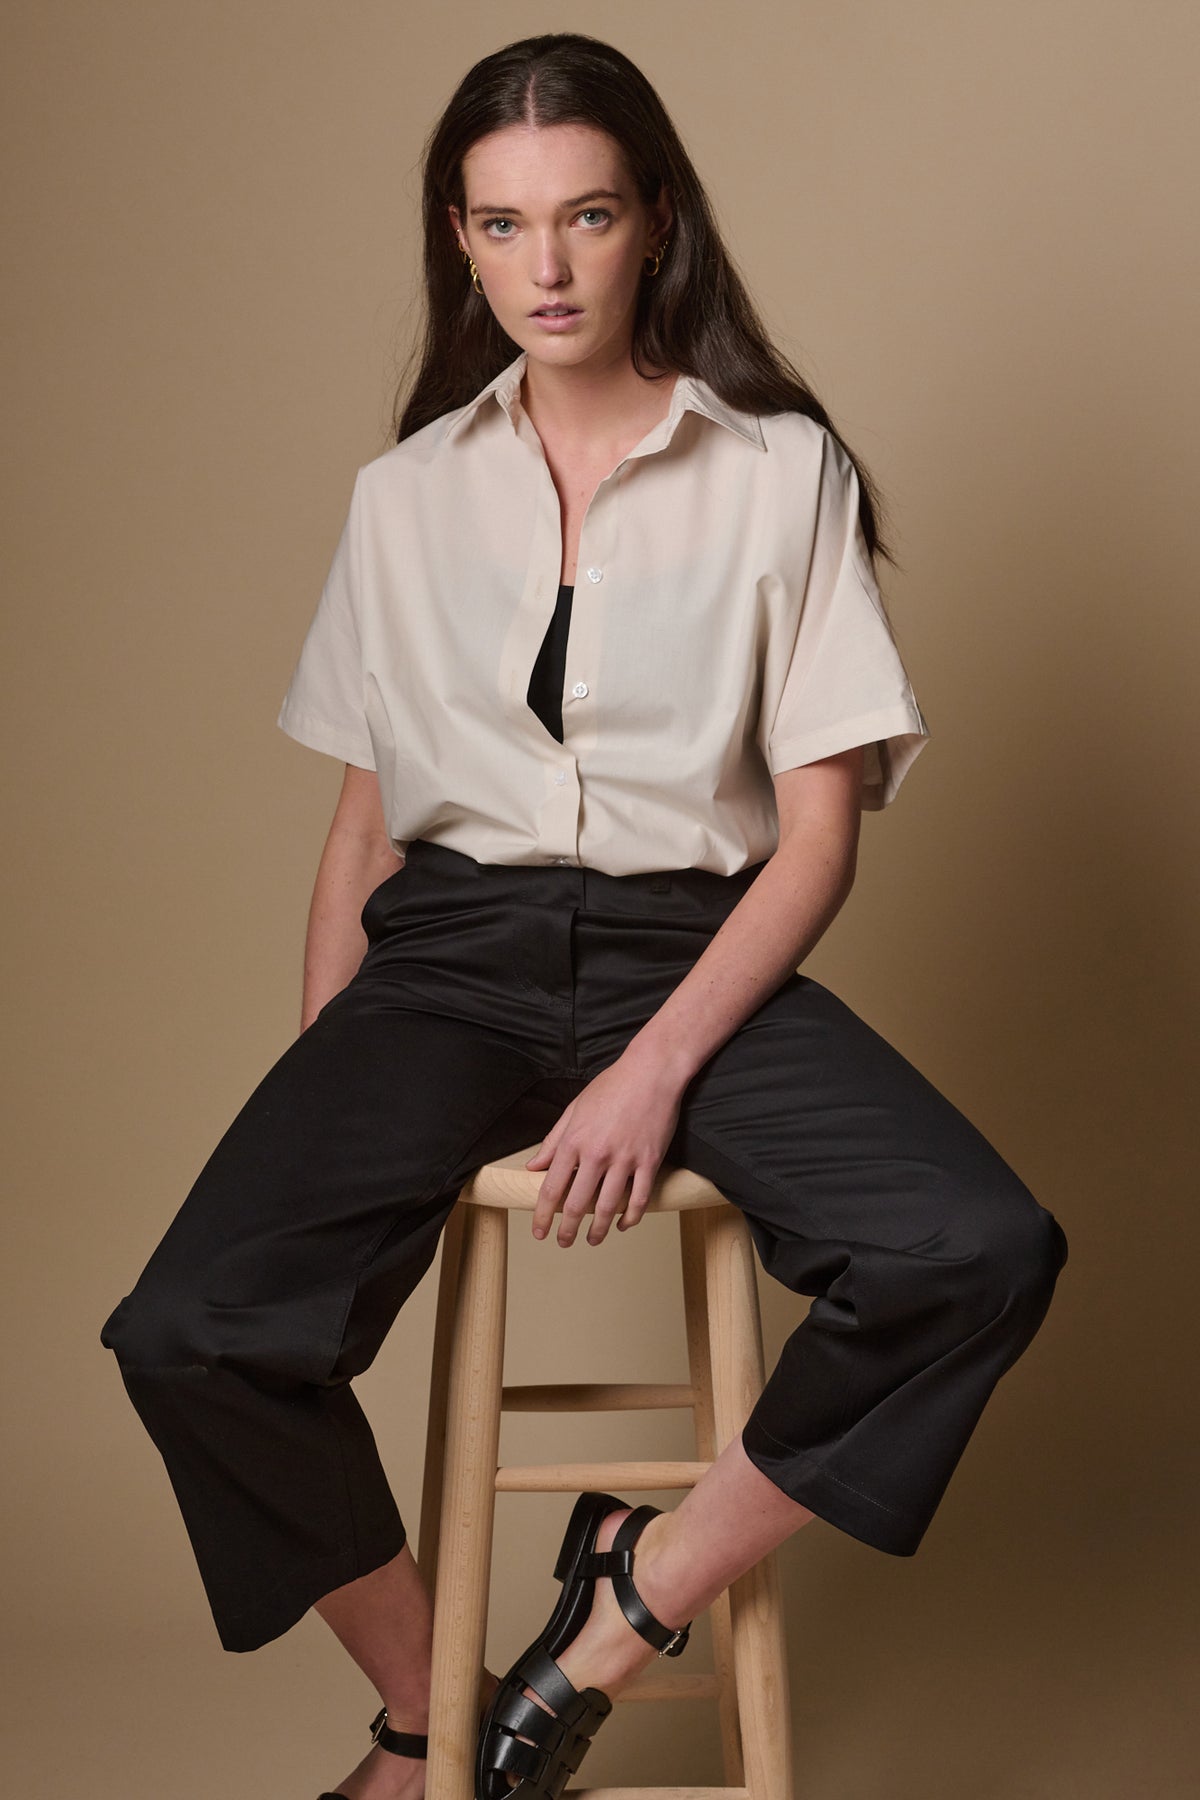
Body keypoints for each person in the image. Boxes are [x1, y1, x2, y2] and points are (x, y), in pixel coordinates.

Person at [100, 30, 1068, 1800]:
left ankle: (623, 1611)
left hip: (691, 953)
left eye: (587, 215)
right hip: (445, 963)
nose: (544, 266)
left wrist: (652, 1071)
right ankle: (436, 1714)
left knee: (978, 1248)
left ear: (657, 223)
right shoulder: (403, 498)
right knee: (192, 1327)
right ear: (459, 242)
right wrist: (325, 1088)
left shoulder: (779, 472)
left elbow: (817, 842)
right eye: (501, 224)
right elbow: (360, 830)